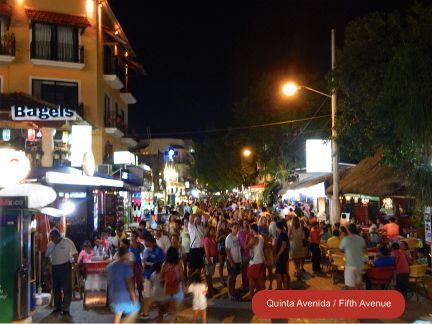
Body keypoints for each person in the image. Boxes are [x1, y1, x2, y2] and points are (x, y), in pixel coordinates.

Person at [45, 229, 77, 316]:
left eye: (53, 238)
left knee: (66, 288)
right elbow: (47, 256)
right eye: (51, 238)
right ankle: (58, 307)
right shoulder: (51, 244)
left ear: (58, 236)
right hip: (54, 267)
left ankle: (66, 308)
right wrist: (47, 267)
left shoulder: (67, 242)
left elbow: (75, 254)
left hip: (65, 266)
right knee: (56, 288)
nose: (52, 239)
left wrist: (74, 263)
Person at [106, 246, 140, 323]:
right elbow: (130, 284)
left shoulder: (109, 266)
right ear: (126, 255)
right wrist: (133, 296)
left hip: (113, 296)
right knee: (136, 309)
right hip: (123, 297)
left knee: (118, 314)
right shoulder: (126, 267)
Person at [142, 233, 165, 319]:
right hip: (147, 276)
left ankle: (148, 312)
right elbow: (144, 263)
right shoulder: (146, 250)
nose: (144, 243)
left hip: (156, 276)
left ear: (151, 242)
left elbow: (163, 263)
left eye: (146, 241)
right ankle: (146, 312)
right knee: (148, 294)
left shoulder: (159, 251)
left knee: (156, 295)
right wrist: (143, 274)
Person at [339, 224, 366, 289]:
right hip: (360, 265)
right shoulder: (361, 239)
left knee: (351, 287)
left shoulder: (346, 239)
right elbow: (363, 249)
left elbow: (340, 249)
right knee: (358, 285)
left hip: (350, 265)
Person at [161, 246, 184, 320]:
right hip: (177, 288)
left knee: (169, 303)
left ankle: (170, 313)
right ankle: (174, 317)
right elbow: (182, 277)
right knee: (175, 305)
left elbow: (161, 276)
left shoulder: (164, 264)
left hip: (167, 288)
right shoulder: (179, 264)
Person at [246, 223, 265, 300]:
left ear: (252, 229)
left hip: (255, 261)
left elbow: (245, 247)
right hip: (261, 260)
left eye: (250, 229)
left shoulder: (254, 238)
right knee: (259, 278)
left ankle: (251, 295)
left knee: (251, 278)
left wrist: (247, 238)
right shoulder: (261, 237)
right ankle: (260, 291)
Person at [225, 222, 242, 301]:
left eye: (237, 227)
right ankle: (229, 293)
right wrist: (231, 262)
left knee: (234, 277)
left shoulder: (237, 237)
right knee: (231, 277)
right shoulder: (229, 237)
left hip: (237, 260)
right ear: (231, 228)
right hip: (232, 260)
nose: (236, 229)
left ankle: (233, 291)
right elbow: (227, 250)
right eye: (234, 227)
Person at [130, 231, 144, 304]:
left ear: (136, 237)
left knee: (139, 281)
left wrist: (143, 266)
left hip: (138, 265)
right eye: (131, 236)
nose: (131, 237)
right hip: (130, 266)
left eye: (132, 236)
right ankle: (133, 297)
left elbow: (143, 256)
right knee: (131, 282)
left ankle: (140, 295)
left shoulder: (140, 245)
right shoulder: (129, 245)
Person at [238, 219, 253, 292]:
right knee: (244, 271)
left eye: (247, 223)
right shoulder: (241, 233)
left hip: (251, 254)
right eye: (244, 223)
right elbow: (242, 245)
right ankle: (244, 284)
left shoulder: (251, 232)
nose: (246, 224)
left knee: (249, 271)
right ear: (242, 224)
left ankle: (247, 284)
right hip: (244, 254)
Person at [203, 226, 218, 295]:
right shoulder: (207, 239)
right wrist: (208, 260)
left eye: (213, 230)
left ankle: (211, 287)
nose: (213, 232)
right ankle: (209, 288)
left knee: (210, 273)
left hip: (213, 257)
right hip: (209, 258)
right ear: (208, 231)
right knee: (208, 274)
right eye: (211, 230)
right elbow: (206, 250)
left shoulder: (212, 238)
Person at [275, 221, 289, 290]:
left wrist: (278, 255)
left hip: (282, 257)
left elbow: (284, 245)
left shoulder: (282, 235)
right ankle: (284, 288)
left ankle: (279, 288)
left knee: (279, 273)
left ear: (278, 227)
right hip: (284, 257)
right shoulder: (282, 234)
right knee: (284, 273)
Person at [216, 219, 229, 286]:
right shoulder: (219, 231)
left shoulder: (228, 230)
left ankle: (229, 278)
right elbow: (216, 240)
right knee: (221, 264)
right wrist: (221, 237)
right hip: (221, 249)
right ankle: (221, 278)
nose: (225, 226)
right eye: (223, 224)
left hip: (228, 249)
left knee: (228, 263)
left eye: (226, 224)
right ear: (221, 225)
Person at [180, 217, 191, 283]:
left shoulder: (191, 229)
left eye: (187, 222)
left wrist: (189, 236)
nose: (186, 223)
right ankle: (185, 278)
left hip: (190, 249)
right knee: (184, 265)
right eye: (184, 222)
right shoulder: (182, 230)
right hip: (184, 250)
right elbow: (180, 240)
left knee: (189, 266)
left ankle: (190, 278)